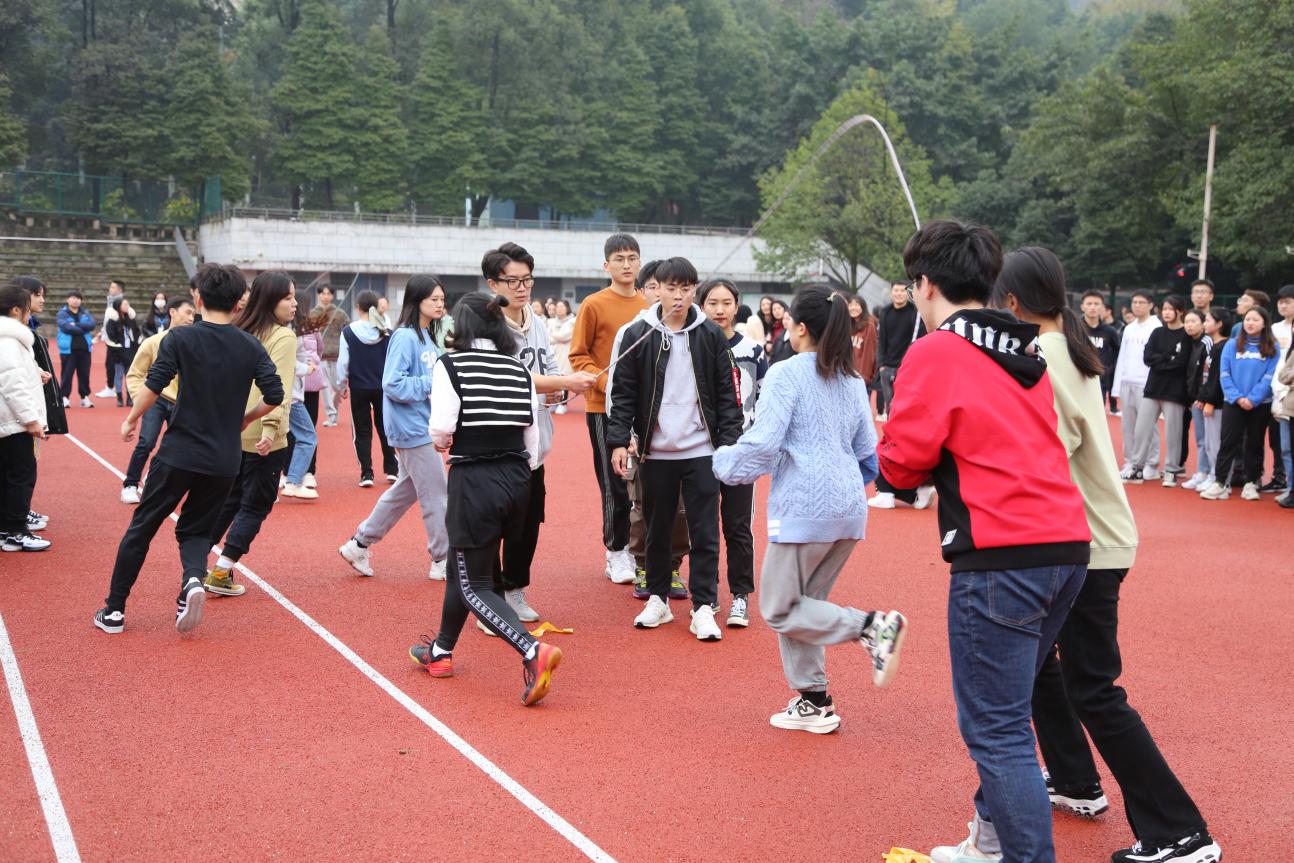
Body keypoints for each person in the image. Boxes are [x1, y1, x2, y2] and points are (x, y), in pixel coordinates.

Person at [994, 247, 1222, 863]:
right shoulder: (1065, 346)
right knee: (1042, 667)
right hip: (1090, 535)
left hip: (1085, 541)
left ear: (1011, 302)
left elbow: (1043, 449)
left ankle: (1181, 831)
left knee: (1094, 687)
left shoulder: (1044, 357)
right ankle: (1075, 779)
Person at [875, 221, 1090, 863]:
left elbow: (901, 467)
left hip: (1000, 553)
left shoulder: (936, 350)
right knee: (1010, 715)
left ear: (924, 284)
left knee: (997, 731)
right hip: (1065, 545)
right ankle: (991, 841)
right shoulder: (1025, 347)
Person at [713, 284, 904, 732]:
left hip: (804, 507)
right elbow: (867, 452)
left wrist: (718, 464)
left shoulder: (786, 373)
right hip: (848, 507)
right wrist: (842, 483)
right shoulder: (851, 379)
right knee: (805, 606)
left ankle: (871, 627)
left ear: (799, 328)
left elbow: (764, 443)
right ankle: (814, 700)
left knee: (779, 609)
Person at [94, 263, 284, 635]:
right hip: (224, 459)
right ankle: (192, 581)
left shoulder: (179, 338)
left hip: (178, 453)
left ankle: (114, 610)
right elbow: (275, 394)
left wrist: (131, 419)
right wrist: (246, 418)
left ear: (197, 299)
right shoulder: (250, 345)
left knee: (142, 527)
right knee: (196, 531)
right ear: (238, 303)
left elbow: (154, 384)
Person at [409, 292, 563, 707]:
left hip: (475, 478)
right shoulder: (518, 368)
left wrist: (445, 442)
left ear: (461, 325)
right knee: (463, 570)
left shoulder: (451, 365)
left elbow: (441, 429)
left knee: (475, 584)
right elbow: (532, 438)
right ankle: (440, 651)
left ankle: (532, 650)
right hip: (518, 479)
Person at [607, 256, 744, 640]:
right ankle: (658, 600)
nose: (679, 296)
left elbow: (727, 397)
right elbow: (623, 394)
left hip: (702, 451)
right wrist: (618, 441)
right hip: (655, 452)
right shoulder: (639, 334)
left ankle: (703, 606)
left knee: (705, 532)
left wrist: (728, 448)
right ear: (658, 290)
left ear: (694, 290)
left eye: (686, 288)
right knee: (656, 529)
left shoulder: (710, 335)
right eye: (671, 288)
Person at [483, 242, 595, 626]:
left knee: (527, 523)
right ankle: (488, 597)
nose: (521, 287)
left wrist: (559, 388)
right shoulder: (485, 326)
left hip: (535, 446)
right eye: (512, 281)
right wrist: (561, 382)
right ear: (493, 283)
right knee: (494, 525)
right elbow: (505, 380)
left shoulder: (537, 322)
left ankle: (514, 588)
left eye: (527, 279)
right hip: (497, 444)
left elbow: (547, 366)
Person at [338, 275, 451, 581]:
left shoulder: (427, 336)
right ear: (417, 301)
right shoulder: (405, 337)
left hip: (421, 424)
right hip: (411, 427)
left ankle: (359, 544)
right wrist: (434, 382)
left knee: (405, 491)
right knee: (436, 494)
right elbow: (392, 383)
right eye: (434, 299)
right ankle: (442, 558)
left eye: (442, 299)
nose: (440, 304)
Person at [202, 272, 299, 595]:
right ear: (270, 300)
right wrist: (271, 428)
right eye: (288, 297)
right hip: (262, 433)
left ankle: (195, 563)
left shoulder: (238, 330)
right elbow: (279, 388)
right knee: (256, 504)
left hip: (232, 429)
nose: (295, 304)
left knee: (229, 500)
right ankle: (221, 571)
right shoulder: (283, 337)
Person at [608, 260, 692, 602]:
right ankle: (643, 566)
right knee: (642, 506)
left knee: (681, 510)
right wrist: (623, 435)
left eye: (673, 287)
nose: (665, 294)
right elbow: (618, 389)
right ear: (644, 291)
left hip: (686, 441)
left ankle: (672, 568)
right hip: (644, 441)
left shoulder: (694, 329)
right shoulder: (632, 332)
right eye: (657, 286)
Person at [567, 234, 647, 584]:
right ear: (606, 265)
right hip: (604, 408)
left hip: (645, 411)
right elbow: (578, 355)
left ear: (640, 262)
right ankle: (616, 551)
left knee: (645, 484)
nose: (626, 264)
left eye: (632, 258)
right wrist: (608, 384)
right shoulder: (593, 304)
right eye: (619, 259)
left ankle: (642, 548)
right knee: (615, 481)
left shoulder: (648, 305)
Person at [700, 277, 767, 626]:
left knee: (738, 525)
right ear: (701, 306)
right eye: (713, 303)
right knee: (704, 524)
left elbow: (765, 399)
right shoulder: (694, 347)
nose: (720, 310)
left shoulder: (753, 351)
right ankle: (707, 594)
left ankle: (740, 595)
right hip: (701, 449)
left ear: (737, 306)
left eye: (727, 303)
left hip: (742, 451)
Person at [120, 296, 197, 504]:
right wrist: (140, 398)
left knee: (176, 446)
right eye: (187, 312)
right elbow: (135, 374)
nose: (191, 318)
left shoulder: (195, 345)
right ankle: (130, 484)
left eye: (193, 314)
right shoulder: (153, 342)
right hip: (156, 400)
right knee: (146, 442)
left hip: (181, 404)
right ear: (172, 312)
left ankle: (153, 475)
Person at [1200, 306, 1280, 501]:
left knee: (1254, 443)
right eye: (1247, 319)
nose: (1250, 323)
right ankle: (1220, 483)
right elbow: (1224, 373)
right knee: (1228, 442)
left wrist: (1253, 398)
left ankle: (1251, 483)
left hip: (1260, 404)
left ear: (1264, 323)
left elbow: (1270, 376)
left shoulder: (1273, 347)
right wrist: (1237, 397)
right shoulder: (1232, 344)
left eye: (1255, 320)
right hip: (1233, 402)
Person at [0, 282, 51, 552]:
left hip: (9, 420)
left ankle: (7, 529)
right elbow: (12, 383)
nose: (30, 314)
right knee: (21, 475)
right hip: (14, 422)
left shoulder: (8, 340)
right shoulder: (9, 340)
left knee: (8, 476)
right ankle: (16, 531)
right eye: (28, 309)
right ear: (16, 310)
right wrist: (31, 419)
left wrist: (35, 373)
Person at [338, 290, 399, 487]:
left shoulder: (348, 332)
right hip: (383, 388)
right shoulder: (387, 332)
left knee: (362, 431)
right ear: (376, 307)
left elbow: (343, 363)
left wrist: (341, 385)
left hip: (358, 387)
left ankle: (366, 473)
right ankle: (392, 469)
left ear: (358, 307)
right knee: (385, 428)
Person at [1111, 291, 1162, 482]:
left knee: (1148, 427)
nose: (1137, 305)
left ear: (1151, 305)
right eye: (1135, 302)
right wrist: (1117, 386)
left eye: (1142, 302)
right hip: (1127, 382)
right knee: (1128, 426)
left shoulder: (1156, 327)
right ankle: (1130, 462)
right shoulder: (1129, 328)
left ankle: (1151, 464)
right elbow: (1122, 356)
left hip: (1146, 384)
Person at [1141, 296, 1192, 486]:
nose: (1167, 313)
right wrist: (1167, 357)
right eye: (1164, 309)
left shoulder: (1186, 335)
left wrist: (1159, 361)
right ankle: (1137, 466)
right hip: (1152, 388)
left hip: (1175, 391)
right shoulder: (1157, 332)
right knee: (1141, 429)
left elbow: (1181, 363)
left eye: (1171, 309)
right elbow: (1147, 357)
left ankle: (1171, 470)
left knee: (1173, 434)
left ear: (1180, 311)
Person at [282, 301, 324, 500]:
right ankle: (294, 480)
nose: (295, 304)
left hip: (283, 394)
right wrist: (307, 368)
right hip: (291, 396)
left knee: (276, 438)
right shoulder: (291, 333)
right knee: (308, 437)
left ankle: (288, 479)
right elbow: (288, 363)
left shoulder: (289, 331)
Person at [1192, 308, 1231, 495]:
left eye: (1208, 320)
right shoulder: (1213, 346)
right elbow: (1206, 376)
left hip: (1218, 403)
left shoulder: (1224, 347)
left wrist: (1210, 401)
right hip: (1209, 399)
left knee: (1216, 443)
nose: (1204, 323)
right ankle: (1213, 476)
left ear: (1219, 324)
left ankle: (1221, 480)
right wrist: (1202, 397)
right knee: (1208, 442)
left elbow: (1217, 378)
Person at [875, 280, 921, 421]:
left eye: (902, 290)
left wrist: (908, 364)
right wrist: (881, 365)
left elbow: (916, 340)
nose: (899, 293)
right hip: (887, 366)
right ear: (891, 292)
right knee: (890, 405)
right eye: (896, 290)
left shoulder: (915, 313)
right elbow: (881, 340)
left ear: (908, 293)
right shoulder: (885, 312)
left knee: (904, 405)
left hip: (905, 367)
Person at [1180, 308, 1215, 490]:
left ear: (1202, 324)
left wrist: (1202, 396)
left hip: (1204, 398)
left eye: (1194, 321)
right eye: (1186, 321)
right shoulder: (1188, 342)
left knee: (1208, 438)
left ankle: (1209, 474)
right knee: (1200, 437)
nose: (1189, 325)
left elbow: (1208, 372)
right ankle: (1203, 472)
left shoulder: (1207, 342)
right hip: (1193, 398)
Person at [313, 284, 349, 427]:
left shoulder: (340, 314)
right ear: (319, 295)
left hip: (337, 356)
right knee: (325, 388)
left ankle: (334, 410)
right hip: (320, 357)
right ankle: (331, 415)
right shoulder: (312, 314)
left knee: (338, 387)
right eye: (323, 294)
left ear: (332, 296)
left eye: (328, 294)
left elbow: (347, 332)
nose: (325, 297)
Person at [1080, 291, 1120, 414]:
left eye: (1096, 304)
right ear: (1082, 306)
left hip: (1099, 381)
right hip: (1077, 379)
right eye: (1089, 304)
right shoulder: (1074, 328)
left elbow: (1117, 352)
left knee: (1096, 416)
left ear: (1102, 307)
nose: (1092, 307)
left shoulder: (1110, 331)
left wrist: (1107, 369)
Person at [1272, 286, 1294, 505]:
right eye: (1281, 301)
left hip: (1289, 392)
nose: (1283, 305)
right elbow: (1278, 367)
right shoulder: (1275, 329)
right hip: (1280, 394)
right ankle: (1289, 487)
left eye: (1288, 301)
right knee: (1285, 447)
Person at [56, 290, 96, 408]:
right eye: (73, 298)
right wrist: (83, 329)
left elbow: (92, 325)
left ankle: (84, 397)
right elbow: (66, 327)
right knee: (67, 374)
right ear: (67, 299)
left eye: (78, 298)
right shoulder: (62, 313)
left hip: (84, 348)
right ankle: (64, 397)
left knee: (84, 374)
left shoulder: (85, 312)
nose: (76, 300)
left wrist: (76, 325)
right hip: (68, 349)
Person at [95, 280, 130, 399]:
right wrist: (102, 332)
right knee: (110, 364)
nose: (110, 289)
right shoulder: (111, 301)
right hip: (110, 338)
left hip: (116, 340)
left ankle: (112, 388)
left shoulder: (121, 303)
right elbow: (107, 320)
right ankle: (111, 387)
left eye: (113, 287)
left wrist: (114, 338)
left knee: (114, 365)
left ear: (119, 290)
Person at [105, 297, 142, 407]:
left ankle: (130, 398)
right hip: (118, 352)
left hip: (130, 351)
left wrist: (135, 345)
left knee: (129, 376)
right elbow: (111, 336)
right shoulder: (112, 320)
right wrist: (118, 347)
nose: (127, 306)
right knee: (119, 375)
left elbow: (136, 332)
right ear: (118, 306)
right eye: (124, 304)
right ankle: (119, 398)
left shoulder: (130, 319)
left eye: (128, 304)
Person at [547, 299, 576, 415]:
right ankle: (553, 402)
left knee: (564, 377)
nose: (559, 309)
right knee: (553, 377)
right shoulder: (551, 321)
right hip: (553, 351)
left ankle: (563, 403)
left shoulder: (573, 321)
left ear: (567, 308)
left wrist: (553, 335)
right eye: (558, 307)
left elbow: (565, 336)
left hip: (565, 352)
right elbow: (547, 337)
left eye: (562, 306)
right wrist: (556, 337)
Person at [847, 294, 878, 388]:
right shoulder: (847, 324)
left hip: (860, 376)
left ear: (863, 307)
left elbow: (869, 353)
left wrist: (864, 377)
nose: (853, 308)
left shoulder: (869, 326)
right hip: (847, 373)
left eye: (856, 305)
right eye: (851, 305)